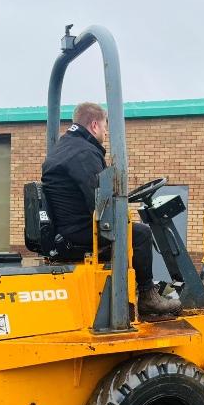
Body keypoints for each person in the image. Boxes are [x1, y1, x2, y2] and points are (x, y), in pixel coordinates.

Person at [41, 102, 181, 317]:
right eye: (106, 126)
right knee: (141, 234)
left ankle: (137, 288)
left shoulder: (64, 147)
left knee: (129, 230)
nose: (106, 132)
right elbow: (100, 201)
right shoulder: (84, 153)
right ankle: (147, 296)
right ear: (95, 125)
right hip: (79, 231)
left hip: (67, 227)